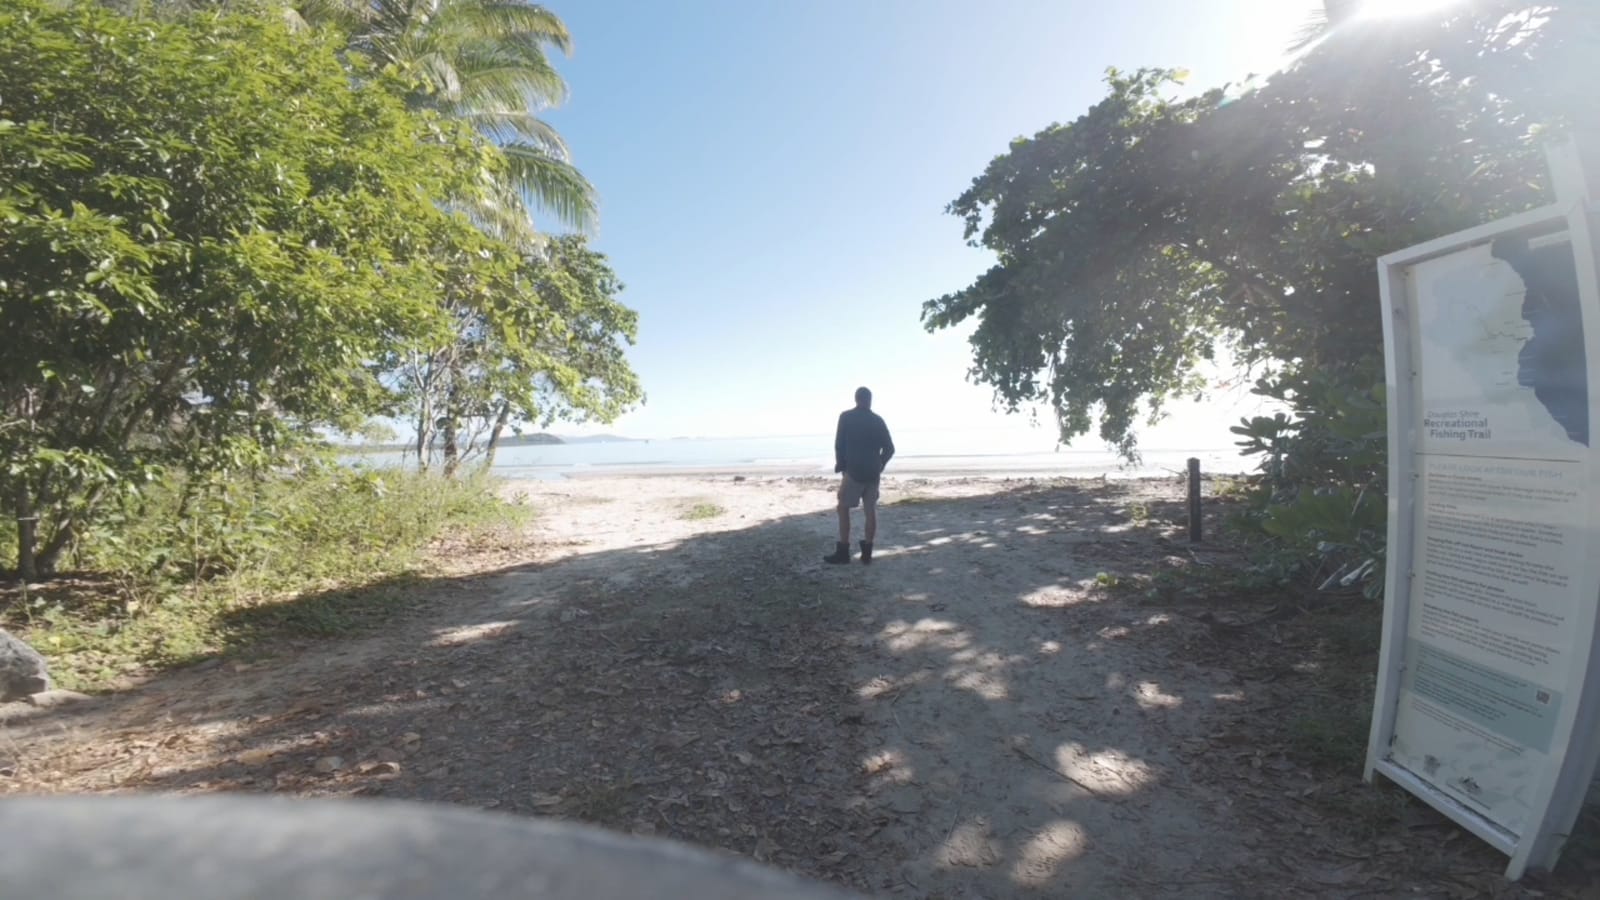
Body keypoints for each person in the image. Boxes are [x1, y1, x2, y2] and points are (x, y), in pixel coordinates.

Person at [825, 387, 894, 565]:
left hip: (854, 470)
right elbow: (890, 448)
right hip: (873, 472)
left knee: (843, 508)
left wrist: (841, 466)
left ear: (856, 399)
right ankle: (867, 552)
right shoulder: (878, 420)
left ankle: (844, 550)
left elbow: (838, 444)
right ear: (870, 400)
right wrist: (880, 464)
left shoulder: (846, 417)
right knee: (870, 511)